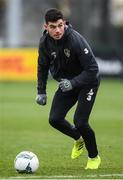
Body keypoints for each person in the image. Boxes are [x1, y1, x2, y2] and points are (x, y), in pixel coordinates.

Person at [36, 8, 101, 170]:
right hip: (67, 83)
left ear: (64, 23)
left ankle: (94, 157)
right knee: (54, 119)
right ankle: (78, 139)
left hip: (87, 83)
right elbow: (42, 67)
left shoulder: (75, 40)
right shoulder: (44, 43)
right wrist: (41, 91)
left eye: (60, 25)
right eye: (53, 27)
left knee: (80, 121)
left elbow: (92, 70)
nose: (57, 30)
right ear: (46, 27)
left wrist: (73, 83)